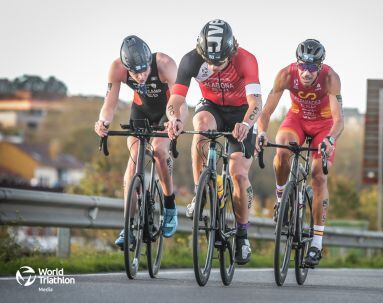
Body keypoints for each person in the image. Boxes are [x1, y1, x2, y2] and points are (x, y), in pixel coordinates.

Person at [165, 19, 263, 265]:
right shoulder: (191, 60)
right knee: (200, 127)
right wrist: (174, 118)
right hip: (212, 107)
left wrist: (247, 124)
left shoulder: (246, 59)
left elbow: (256, 104)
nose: (214, 66)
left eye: (220, 61)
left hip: (241, 112)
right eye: (209, 60)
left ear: (231, 51)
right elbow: (176, 99)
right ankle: (201, 192)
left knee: (238, 173)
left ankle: (242, 235)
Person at [94, 35, 188, 247]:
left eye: (144, 70)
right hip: (140, 112)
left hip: (169, 111)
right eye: (135, 73)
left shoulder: (164, 64)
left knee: (159, 151)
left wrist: (175, 120)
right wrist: (103, 122)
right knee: (133, 163)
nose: (142, 75)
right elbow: (109, 103)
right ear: (126, 67)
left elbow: (180, 100)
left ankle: (170, 205)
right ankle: (127, 227)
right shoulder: (117, 68)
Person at [257, 39, 344, 267]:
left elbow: (339, 120)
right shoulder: (286, 75)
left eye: (312, 67)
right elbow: (266, 111)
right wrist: (262, 133)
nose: (306, 72)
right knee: (282, 145)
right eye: (303, 66)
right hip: (297, 119)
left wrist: (330, 138)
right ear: (297, 63)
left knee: (318, 176)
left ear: (320, 66)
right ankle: (280, 199)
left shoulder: (330, 78)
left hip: (323, 125)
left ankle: (316, 244)